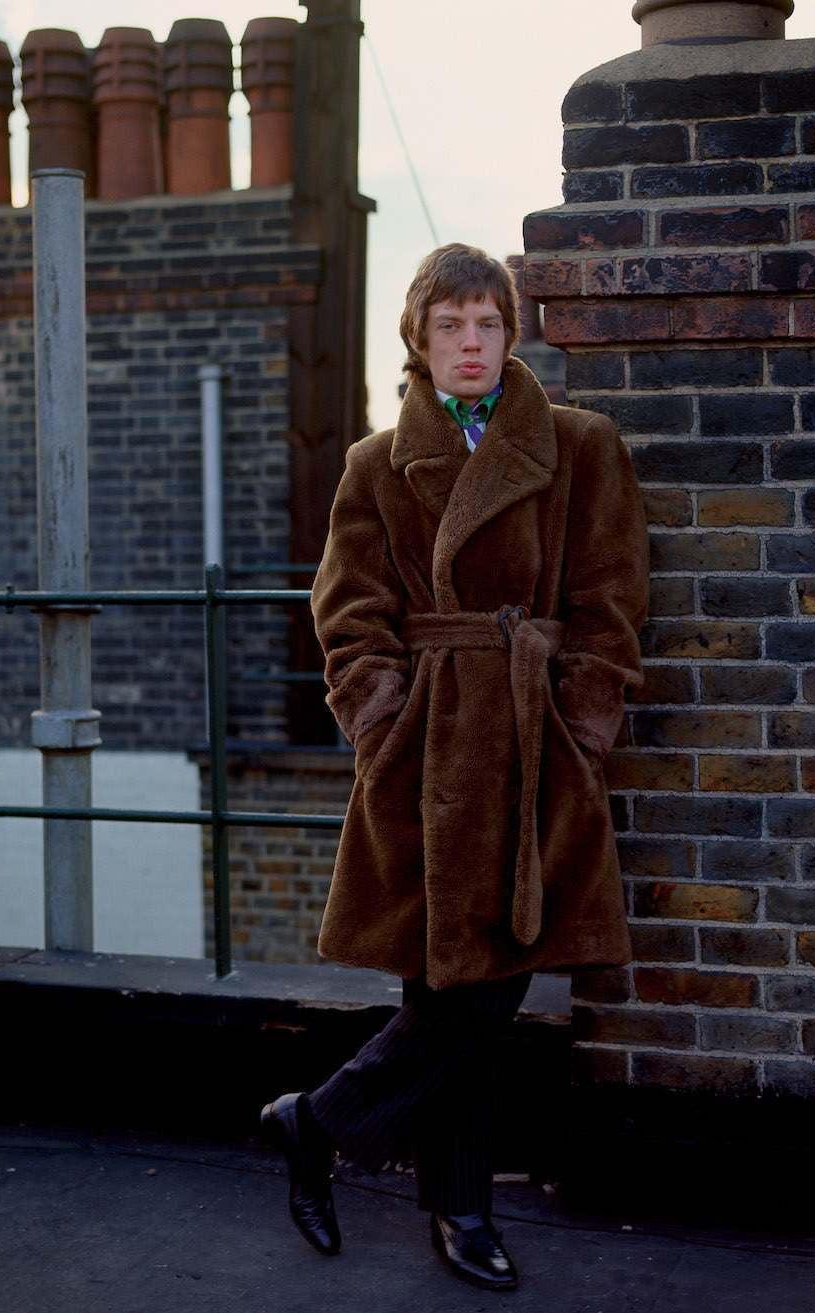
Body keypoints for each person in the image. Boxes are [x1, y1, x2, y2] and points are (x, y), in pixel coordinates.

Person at [261, 243, 648, 1291]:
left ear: (510, 334)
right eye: (450, 326)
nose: (470, 343)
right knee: (445, 987)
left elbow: (611, 597)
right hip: (427, 755)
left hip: (537, 751)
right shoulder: (374, 466)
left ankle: (317, 1118)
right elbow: (347, 615)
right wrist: (386, 724)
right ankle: (461, 1209)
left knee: (488, 989)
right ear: (418, 340)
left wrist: (583, 719)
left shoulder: (580, 448)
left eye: (486, 323)